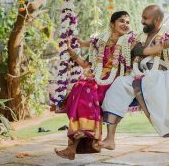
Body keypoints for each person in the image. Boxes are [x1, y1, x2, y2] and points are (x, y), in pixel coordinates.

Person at [100, 5, 169, 150]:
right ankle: (110, 139)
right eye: (142, 18)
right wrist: (158, 47)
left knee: (150, 79)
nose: (141, 21)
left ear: (157, 19)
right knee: (119, 84)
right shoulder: (140, 37)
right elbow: (138, 50)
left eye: (145, 18)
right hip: (139, 74)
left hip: (161, 75)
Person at [54, 11, 136, 160]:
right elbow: (87, 65)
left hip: (112, 81)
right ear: (112, 24)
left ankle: (82, 136)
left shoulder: (129, 42)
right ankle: (72, 146)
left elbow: (145, 46)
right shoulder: (101, 43)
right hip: (96, 79)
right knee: (79, 86)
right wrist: (72, 53)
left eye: (127, 22)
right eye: (121, 21)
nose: (125, 24)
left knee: (86, 89)